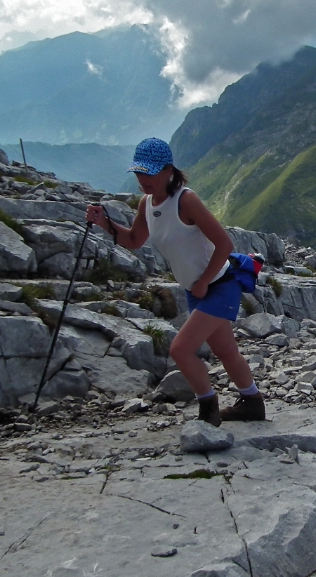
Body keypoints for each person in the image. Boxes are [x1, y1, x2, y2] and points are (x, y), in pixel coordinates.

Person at [86, 138, 265, 427]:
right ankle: (253, 403)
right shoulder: (147, 203)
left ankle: (209, 411)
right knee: (225, 351)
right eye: (139, 173)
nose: (143, 179)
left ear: (168, 170)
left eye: (150, 173)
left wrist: (205, 281)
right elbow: (133, 240)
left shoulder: (186, 200)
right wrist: (104, 223)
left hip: (219, 284)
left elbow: (224, 243)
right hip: (198, 288)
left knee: (180, 350)